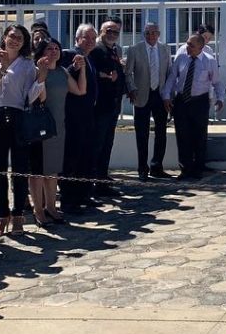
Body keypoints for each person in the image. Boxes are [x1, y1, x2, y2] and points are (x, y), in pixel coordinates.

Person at [0, 24, 43, 237]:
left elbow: (30, 96)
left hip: (18, 115)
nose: (15, 41)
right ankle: (3, 215)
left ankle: (18, 215)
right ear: (4, 37)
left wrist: (42, 78)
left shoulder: (27, 65)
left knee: (20, 168)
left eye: (20, 38)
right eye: (12, 36)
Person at [29, 39, 84, 225]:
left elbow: (80, 90)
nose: (53, 51)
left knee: (53, 170)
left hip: (59, 126)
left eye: (56, 48)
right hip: (40, 126)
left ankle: (51, 207)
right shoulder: (36, 71)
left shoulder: (63, 72)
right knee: (37, 172)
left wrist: (81, 68)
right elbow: (36, 97)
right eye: (49, 49)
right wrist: (42, 73)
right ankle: (38, 210)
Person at [163, 33, 224, 179]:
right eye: (187, 43)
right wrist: (166, 96)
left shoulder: (210, 61)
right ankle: (185, 169)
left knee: (199, 135)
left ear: (201, 47)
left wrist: (220, 98)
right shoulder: (181, 57)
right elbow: (172, 77)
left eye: (191, 45)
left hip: (200, 101)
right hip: (182, 101)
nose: (187, 47)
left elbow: (217, 82)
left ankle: (198, 169)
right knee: (182, 136)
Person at [125, 22, 171, 180]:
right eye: (147, 33)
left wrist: (168, 94)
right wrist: (132, 88)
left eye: (154, 33)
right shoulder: (134, 49)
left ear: (158, 34)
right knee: (142, 135)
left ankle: (157, 166)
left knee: (161, 133)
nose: (151, 36)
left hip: (159, 94)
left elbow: (169, 72)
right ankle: (142, 169)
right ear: (143, 34)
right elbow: (128, 73)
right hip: (141, 95)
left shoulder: (165, 48)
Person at [61, 24, 98, 212]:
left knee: (86, 156)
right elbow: (63, 75)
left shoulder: (90, 58)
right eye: (87, 38)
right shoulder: (70, 54)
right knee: (71, 158)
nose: (91, 41)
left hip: (87, 116)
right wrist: (74, 67)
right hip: (72, 116)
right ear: (77, 39)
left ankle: (84, 194)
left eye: (94, 38)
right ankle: (69, 199)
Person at [89, 20, 127, 196]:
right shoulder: (96, 50)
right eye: (109, 30)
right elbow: (91, 73)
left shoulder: (113, 50)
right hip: (101, 106)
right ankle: (94, 182)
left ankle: (102, 179)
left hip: (112, 105)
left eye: (116, 32)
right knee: (97, 145)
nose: (112, 34)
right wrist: (104, 75)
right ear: (101, 31)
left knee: (107, 144)